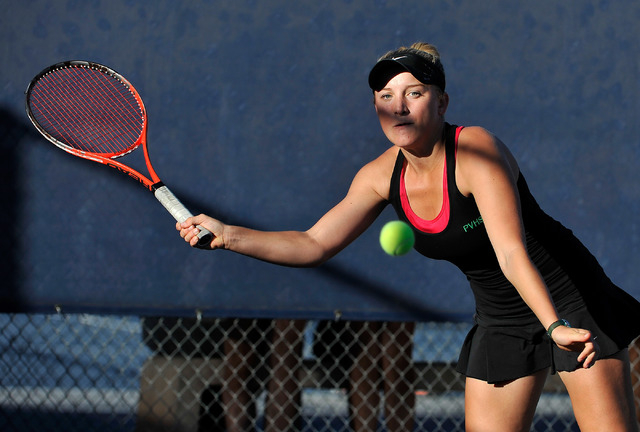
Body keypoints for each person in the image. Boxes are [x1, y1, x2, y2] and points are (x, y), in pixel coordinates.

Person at [178, 42, 640, 431]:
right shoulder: (379, 176)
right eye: (385, 95)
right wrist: (228, 235)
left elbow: (511, 250)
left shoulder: (477, 149)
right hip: (501, 317)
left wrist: (556, 325)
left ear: (441, 103)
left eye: (414, 93)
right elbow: (314, 243)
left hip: (566, 298)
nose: (398, 106)